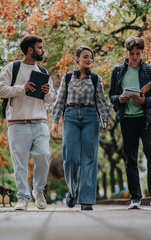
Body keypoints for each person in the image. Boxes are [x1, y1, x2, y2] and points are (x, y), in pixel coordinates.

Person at [0, 35, 56, 211]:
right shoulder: (12, 68)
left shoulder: (43, 72)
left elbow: (50, 98)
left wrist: (47, 92)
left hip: (40, 122)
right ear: (30, 50)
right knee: (19, 163)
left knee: (44, 156)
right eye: (39, 48)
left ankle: (38, 190)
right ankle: (22, 198)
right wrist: (22, 87)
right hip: (17, 123)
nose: (42, 50)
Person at [109, 36, 151, 209]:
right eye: (132, 53)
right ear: (126, 53)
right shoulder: (118, 71)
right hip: (127, 120)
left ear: (142, 52)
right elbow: (111, 94)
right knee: (131, 159)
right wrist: (119, 99)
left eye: (138, 53)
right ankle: (135, 198)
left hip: (146, 119)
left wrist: (145, 101)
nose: (135, 56)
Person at [51, 46, 108, 211]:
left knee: (90, 158)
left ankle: (86, 200)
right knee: (70, 157)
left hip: (90, 117)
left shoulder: (96, 79)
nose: (89, 60)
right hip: (70, 116)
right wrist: (55, 121)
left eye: (91, 57)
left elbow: (101, 101)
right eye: (85, 57)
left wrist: (104, 119)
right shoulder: (68, 78)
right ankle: (71, 191)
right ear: (77, 59)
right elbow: (60, 99)